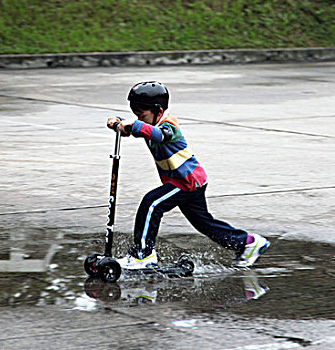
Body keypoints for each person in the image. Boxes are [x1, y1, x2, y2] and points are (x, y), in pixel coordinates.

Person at [106, 81, 270, 269]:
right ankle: (247, 243)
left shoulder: (169, 125)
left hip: (185, 181)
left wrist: (134, 125)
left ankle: (143, 255)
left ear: (158, 111)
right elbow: (135, 129)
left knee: (151, 204)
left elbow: (159, 135)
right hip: (188, 181)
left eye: (142, 115)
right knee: (205, 224)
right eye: (136, 115)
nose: (139, 120)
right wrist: (118, 122)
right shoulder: (148, 123)